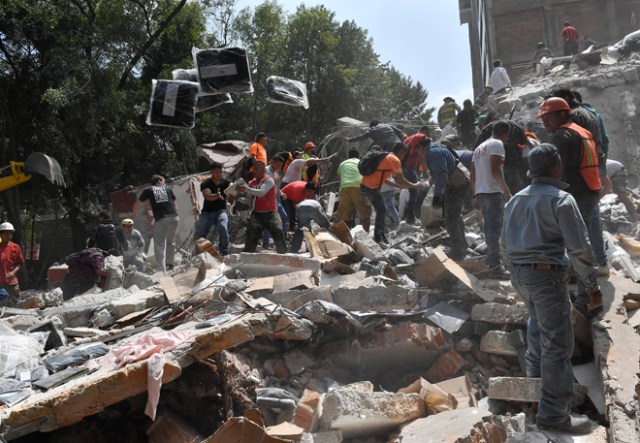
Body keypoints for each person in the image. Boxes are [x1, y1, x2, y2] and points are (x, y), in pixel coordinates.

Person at [502, 144, 599, 435]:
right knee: (558, 345)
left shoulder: (516, 199)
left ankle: (535, 388)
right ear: (556, 168)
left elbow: (503, 245)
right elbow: (579, 248)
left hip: (521, 276)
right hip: (546, 276)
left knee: (536, 328)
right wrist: (592, 286)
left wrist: (517, 269)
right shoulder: (562, 199)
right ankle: (554, 414)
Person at [537, 97, 602, 313]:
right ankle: (579, 286)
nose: (545, 123)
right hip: (589, 188)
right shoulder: (581, 130)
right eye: (543, 119)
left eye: (548, 118)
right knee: (580, 239)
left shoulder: (562, 136)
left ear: (561, 114)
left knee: (577, 244)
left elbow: (554, 169)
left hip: (578, 191)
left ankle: (585, 300)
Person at [360, 143, 423, 245]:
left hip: (367, 186)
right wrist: (415, 185)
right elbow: (401, 180)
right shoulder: (395, 160)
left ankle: (380, 236)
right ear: (401, 152)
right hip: (370, 188)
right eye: (404, 155)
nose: (403, 158)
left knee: (382, 209)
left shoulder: (385, 157)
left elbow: (386, 180)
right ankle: (378, 237)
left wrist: (398, 186)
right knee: (382, 209)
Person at [471, 120, 512, 274]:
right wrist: (506, 192)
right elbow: (496, 169)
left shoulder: (479, 148)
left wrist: (474, 194)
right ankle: (495, 265)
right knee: (495, 228)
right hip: (493, 192)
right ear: (505, 134)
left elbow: (472, 174)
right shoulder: (497, 144)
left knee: (489, 228)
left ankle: (491, 260)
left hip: (482, 192)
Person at [427, 138, 470, 261]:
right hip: (460, 184)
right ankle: (462, 246)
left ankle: (458, 251)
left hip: (455, 186)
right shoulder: (447, 153)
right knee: (455, 216)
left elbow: (442, 175)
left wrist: (437, 194)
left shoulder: (437, 154)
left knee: (451, 218)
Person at [132, 174, 179, 272]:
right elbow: (175, 205)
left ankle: (162, 270)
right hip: (174, 218)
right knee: (171, 241)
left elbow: (137, 203)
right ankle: (170, 264)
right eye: (164, 181)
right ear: (159, 180)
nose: (164, 183)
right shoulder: (168, 189)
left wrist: (134, 213)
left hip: (162, 219)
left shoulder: (149, 190)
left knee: (159, 246)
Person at [238, 161, 288, 254]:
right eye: (254, 169)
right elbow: (249, 201)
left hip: (271, 213)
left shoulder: (269, 180)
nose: (254, 172)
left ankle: (284, 254)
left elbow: (261, 192)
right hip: (257, 213)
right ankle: (247, 256)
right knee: (251, 235)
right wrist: (238, 198)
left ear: (263, 170)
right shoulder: (251, 183)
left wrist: (245, 189)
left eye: (257, 169)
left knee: (278, 232)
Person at [474, 118, 529, 195]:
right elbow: (524, 143)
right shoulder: (517, 127)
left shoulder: (488, 129)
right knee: (514, 193)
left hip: (504, 167)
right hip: (509, 166)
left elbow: (477, 150)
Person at [195, 162, 231, 257]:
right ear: (212, 172)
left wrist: (237, 188)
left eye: (220, 172)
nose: (219, 174)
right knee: (200, 233)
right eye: (216, 172)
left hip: (220, 211)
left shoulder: (225, 182)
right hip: (207, 213)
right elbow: (208, 196)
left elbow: (233, 188)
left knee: (223, 227)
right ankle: (200, 253)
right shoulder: (205, 183)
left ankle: (224, 251)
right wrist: (217, 195)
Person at [289, 183, 331, 253]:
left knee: (300, 230)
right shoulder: (316, 202)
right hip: (313, 208)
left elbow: (298, 212)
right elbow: (322, 215)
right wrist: (326, 221)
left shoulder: (304, 201)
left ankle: (293, 250)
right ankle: (328, 246)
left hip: (300, 208)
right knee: (326, 226)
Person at [337, 149, 371, 231]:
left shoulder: (342, 164)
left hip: (344, 188)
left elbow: (340, 178)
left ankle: (345, 239)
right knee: (365, 214)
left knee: (344, 216)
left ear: (349, 157)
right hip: (358, 187)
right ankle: (365, 237)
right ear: (358, 156)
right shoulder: (361, 162)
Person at [402, 127, 430, 224]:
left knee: (412, 192)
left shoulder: (409, 138)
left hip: (405, 167)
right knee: (415, 192)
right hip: (409, 167)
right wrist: (426, 172)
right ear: (425, 132)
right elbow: (421, 156)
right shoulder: (421, 137)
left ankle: (409, 216)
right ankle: (410, 217)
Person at [604, 159, 639, 224]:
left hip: (618, 170)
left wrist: (598, 198)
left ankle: (636, 221)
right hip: (609, 171)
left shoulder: (594, 168)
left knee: (622, 196)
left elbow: (607, 186)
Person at [0, 222, 24, 305]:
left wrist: (13, 272)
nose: (8, 236)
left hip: (12, 284)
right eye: (6, 233)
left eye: (10, 234)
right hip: (0, 284)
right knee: (2, 306)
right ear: (1, 234)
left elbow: (20, 263)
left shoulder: (15, 247)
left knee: (17, 305)